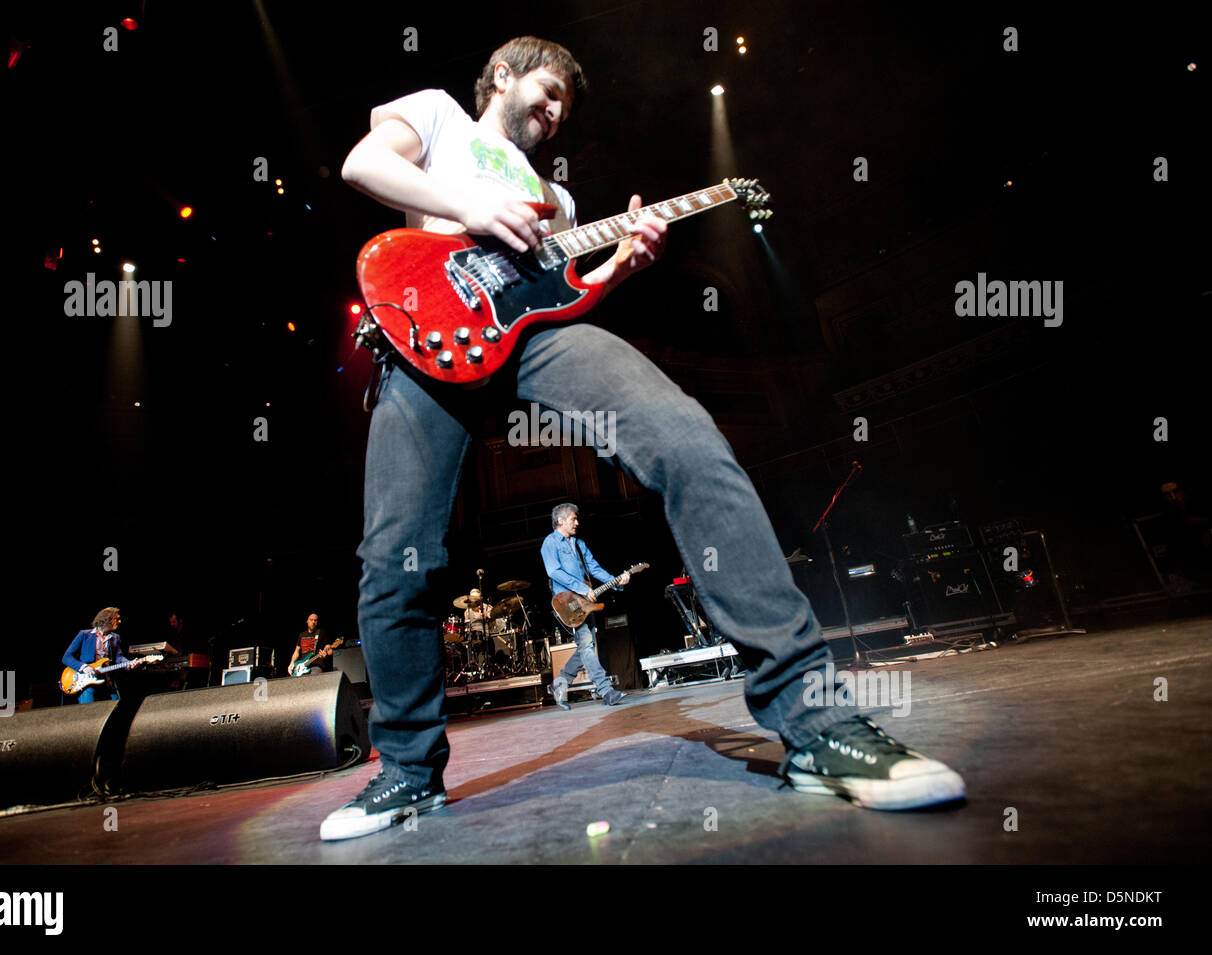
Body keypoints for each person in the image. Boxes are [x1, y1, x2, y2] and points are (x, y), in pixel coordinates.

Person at [319, 36, 964, 841]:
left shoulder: (554, 199)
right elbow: (363, 165)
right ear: (504, 76)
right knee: (394, 557)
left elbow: (562, 296)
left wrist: (622, 260)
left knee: (688, 438)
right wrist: (472, 209)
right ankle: (409, 774)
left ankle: (816, 724)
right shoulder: (441, 116)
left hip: (534, 340)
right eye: (547, 92)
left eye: (564, 107)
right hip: (428, 341)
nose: (554, 114)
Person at [542, 503, 628, 709]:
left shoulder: (579, 543)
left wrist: (615, 581)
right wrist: (579, 587)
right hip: (567, 603)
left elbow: (593, 567)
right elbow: (553, 571)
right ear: (560, 521)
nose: (577, 522)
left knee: (585, 646)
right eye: (573, 519)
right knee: (587, 644)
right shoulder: (550, 543)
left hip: (585, 602)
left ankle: (559, 683)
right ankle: (606, 691)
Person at [62, 607, 143, 703]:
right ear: (106, 619)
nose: (119, 621)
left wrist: (129, 663)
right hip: (87, 682)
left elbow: (118, 658)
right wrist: (84, 667)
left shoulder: (115, 638)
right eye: (116, 619)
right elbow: (66, 657)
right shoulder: (85, 635)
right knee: (89, 712)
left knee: (115, 709)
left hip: (108, 681)